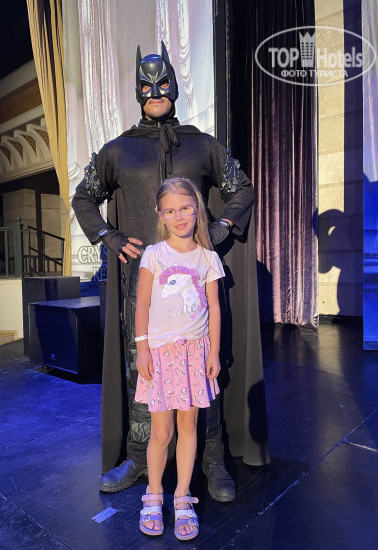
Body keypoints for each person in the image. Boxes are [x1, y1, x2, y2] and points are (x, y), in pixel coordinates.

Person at [72, 42, 269, 503]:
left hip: (197, 290)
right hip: (141, 290)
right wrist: (109, 236)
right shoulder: (118, 150)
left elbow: (242, 189)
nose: (155, 92)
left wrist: (219, 229)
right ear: (138, 92)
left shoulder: (202, 144)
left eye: (163, 84)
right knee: (144, 376)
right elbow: (84, 197)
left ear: (174, 88)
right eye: (147, 86)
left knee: (206, 373)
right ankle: (140, 460)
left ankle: (212, 461)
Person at [136, 177, 224, 540]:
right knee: (162, 431)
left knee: (188, 427)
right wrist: (142, 348)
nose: (179, 216)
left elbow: (214, 307)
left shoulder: (208, 258)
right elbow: (143, 303)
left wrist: (214, 351)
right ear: (160, 214)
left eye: (185, 208)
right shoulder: (154, 254)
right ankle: (154, 494)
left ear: (197, 209)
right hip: (160, 354)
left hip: (194, 355)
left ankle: (183, 496)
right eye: (170, 211)